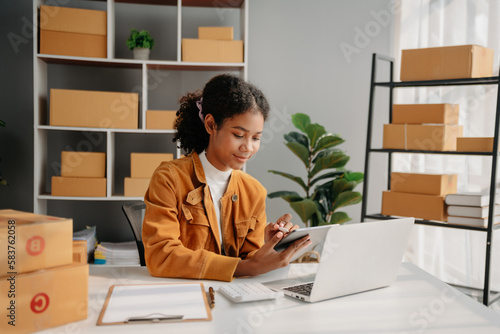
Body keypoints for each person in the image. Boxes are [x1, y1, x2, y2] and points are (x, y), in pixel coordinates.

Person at [142, 74, 311, 281]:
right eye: (239, 135)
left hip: (234, 297)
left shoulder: (254, 191)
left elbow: (250, 260)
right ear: (211, 125)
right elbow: (161, 256)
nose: (248, 147)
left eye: (256, 138)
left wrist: (269, 246)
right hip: (186, 295)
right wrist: (244, 267)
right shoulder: (170, 178)